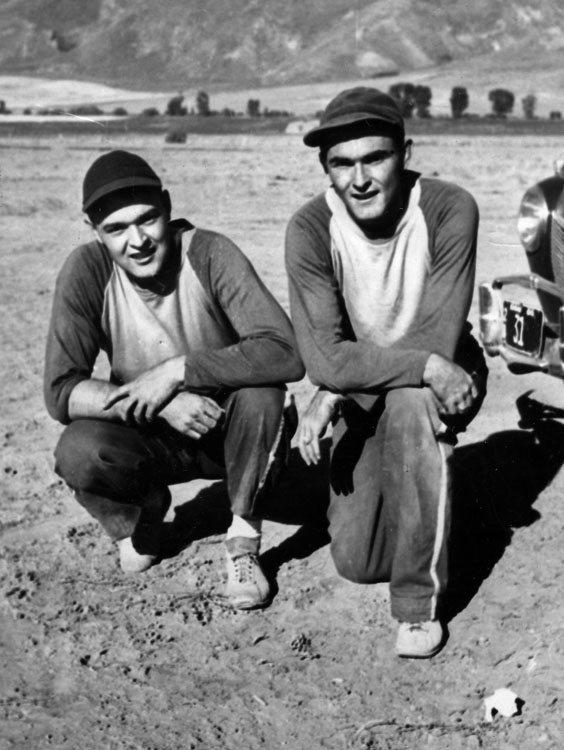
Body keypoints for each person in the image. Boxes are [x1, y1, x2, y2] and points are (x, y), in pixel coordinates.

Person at [44, 149, 304, 610]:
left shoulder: (208, 252)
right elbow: (63, 390)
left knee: (266, 394)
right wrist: (161, 399)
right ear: (94, 232)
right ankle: (141, 515)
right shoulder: (87, 271)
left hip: (229, 430)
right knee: (77, 449)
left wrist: (178, 371)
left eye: (147, 219)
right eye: (117, 229)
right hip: (150, 432)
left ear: (167, 206)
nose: (138, 240)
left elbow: (285, 351)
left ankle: (243, 542)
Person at [285, 88, 487, 658]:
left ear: (405, 152)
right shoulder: (308, 229)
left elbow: (436, 344)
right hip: (364, 385)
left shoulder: (449, 208)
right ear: (325, 169)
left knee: (410, 405)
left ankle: (418, 604)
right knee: (357, 560)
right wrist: (330, 384)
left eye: (374, 158)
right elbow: (323, 357)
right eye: (342, 164)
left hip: (444, 378)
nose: (360, 179)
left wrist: (342, 383)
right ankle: (433, 500)